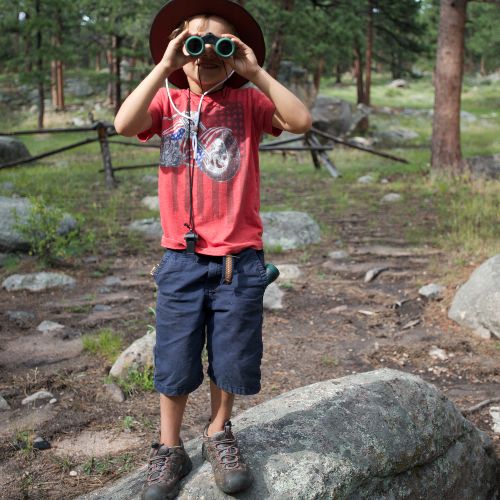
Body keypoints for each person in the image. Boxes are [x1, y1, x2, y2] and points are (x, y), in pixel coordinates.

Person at [114, 1, 311, 498]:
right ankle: (168, 446)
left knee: (232, 355)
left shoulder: (248, 103)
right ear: (180, 48)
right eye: (194, 42)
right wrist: (165, 66)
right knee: (175, 357)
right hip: (180, 258)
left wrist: (255, 72)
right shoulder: (166, 102)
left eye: (219, 43)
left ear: (235, 52)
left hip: (237, 260)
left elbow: (301, 120)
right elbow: (122, 123)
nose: (206, 51)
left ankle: (219, 432)